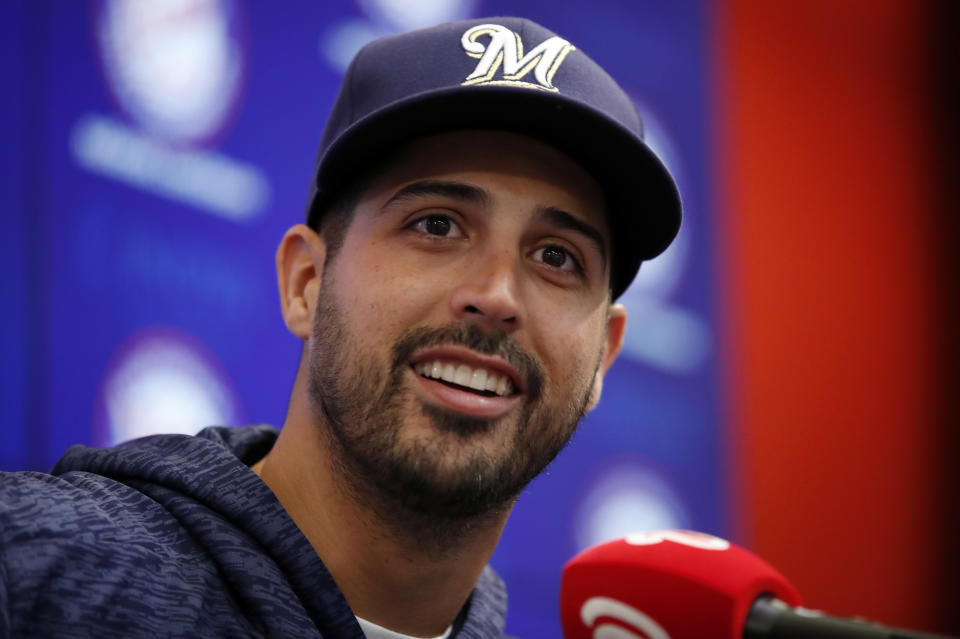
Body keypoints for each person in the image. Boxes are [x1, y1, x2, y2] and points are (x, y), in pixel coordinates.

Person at [0, 17, 680, 639]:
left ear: (603, 358)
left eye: (557, 257)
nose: (497, 295)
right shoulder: (32, 572)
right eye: (437, 224)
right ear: (306, 282)